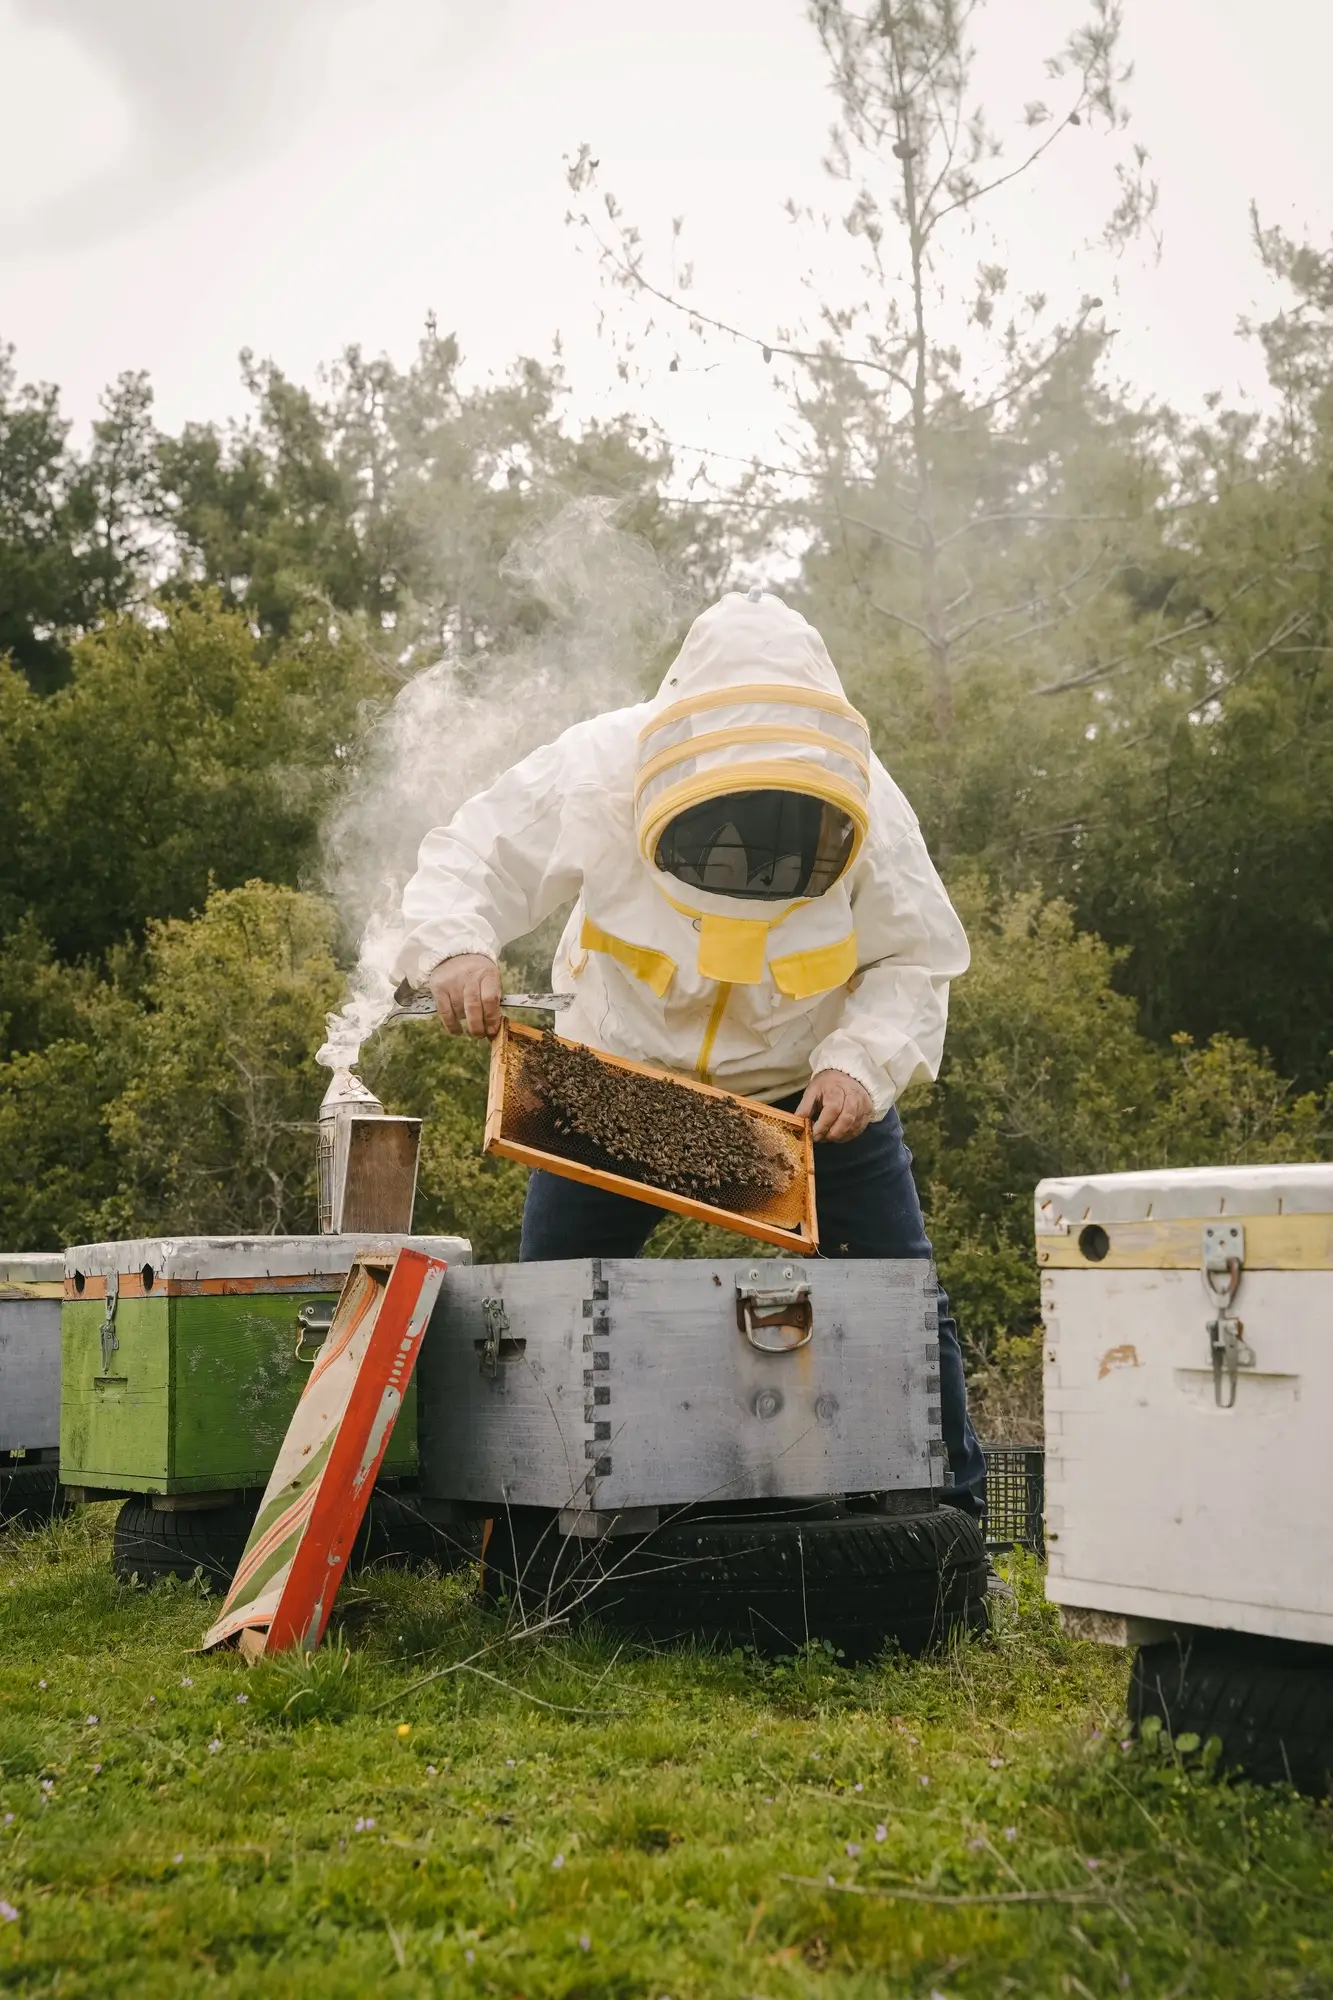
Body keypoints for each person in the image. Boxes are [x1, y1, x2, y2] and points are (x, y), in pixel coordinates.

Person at [393, 588, 986, 1514]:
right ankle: (534, 1533)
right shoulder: (598, 764)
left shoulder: (872, 805)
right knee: (552, 1311)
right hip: (614, 1085)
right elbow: (473, 855)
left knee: (899, 1302)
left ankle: (941, 1532)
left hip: (804, 1100)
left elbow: (916, 958)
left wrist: (859, 1064)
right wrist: (458, 944)